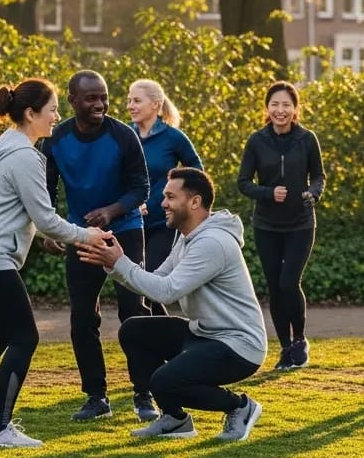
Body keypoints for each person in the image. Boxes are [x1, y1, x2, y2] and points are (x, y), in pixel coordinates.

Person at [0, 79, 115, 449]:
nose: (57, 116)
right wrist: (87, 235)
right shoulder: (23, 156)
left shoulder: (6, 148)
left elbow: (18, 212)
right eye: (52, 110)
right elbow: (46, 218)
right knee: (24, 336)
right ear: (31, 114)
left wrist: (46, 233)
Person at [78, 167, 268, 443]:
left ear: (194, 202)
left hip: (239, 346)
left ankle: (240, 407)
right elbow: (158, 281)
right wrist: (113, 263)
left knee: (164, 380)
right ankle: (175, 420)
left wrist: (119, 261)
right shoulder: (188, 236)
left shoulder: (212, 243)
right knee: (134, 330)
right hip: (205, 333)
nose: (162, 203)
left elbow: (167, 292)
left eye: (170, 196)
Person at [41, 70, 151, 422]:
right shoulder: (56, 139)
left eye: (104, 96)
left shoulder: (124, 136)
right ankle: (96, 396)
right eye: (91, 98)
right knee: (82, 318)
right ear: (72, 101)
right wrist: (50, 230)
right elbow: (45, 190)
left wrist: (111, 210)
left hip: (126, 232)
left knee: (133, 312)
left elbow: (141, 189)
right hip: (80, 235)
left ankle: (144, 393)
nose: (100, 104)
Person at [236, 81, 324, 371]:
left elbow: (319, 177)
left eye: (286, 104)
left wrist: (313, 193)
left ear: (296, 109)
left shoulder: (307, 139)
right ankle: (285, 348)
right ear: (267, 108)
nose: (280, 110)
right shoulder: (257, 141)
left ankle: (299, 340)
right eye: (275, 104)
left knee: (289, 282)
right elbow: (244, 183)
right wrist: (267, 193)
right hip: (267, 225)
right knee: (275, 287)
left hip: (300, 223)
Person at [126, 79, 204, 326]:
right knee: (137, 283)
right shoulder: (125, 135)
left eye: (137, 100)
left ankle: (167, 335)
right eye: (129, 100)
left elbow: (197, 174)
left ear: (156, 105)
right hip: (130, 222)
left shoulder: (173, 138)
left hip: (163, 222)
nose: (130, 105)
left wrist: (177, 198)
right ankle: (165, 334)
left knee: (149, 276)